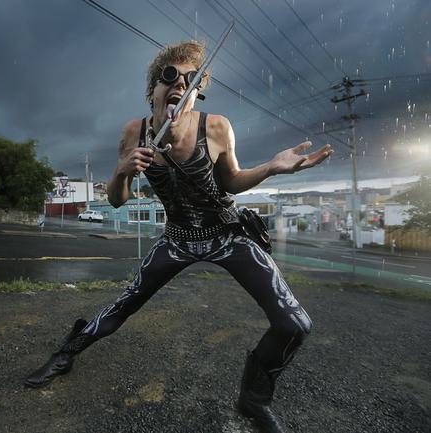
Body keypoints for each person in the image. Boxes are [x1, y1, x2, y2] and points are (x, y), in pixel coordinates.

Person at [25, 41, 332, 433]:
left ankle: (253, 399)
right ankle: (65, 355)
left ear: (197, 92)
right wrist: (121, 170)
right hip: (177, 238)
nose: (180, 85)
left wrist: (271, 167)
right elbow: (117, 201)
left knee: (295, 324)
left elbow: (232, 183)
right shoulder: (134, 132)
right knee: (124, 304)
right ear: (153, 88)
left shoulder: (216, 126)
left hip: (225, 234)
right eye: (170, 77)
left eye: (191, 81)